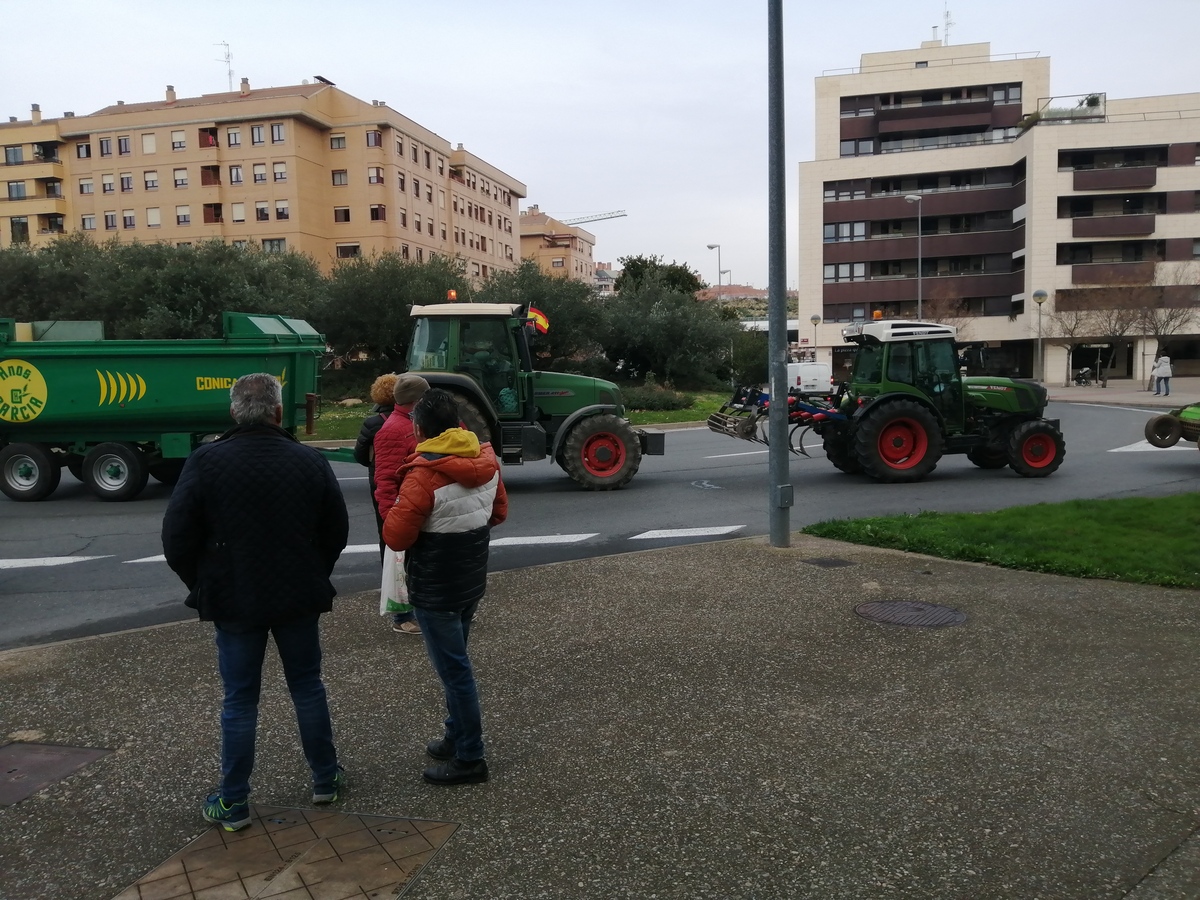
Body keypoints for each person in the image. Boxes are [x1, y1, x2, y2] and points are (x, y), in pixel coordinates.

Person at [162, 373, 349, 832]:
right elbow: (336, 530)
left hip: (234, 596)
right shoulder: (309, 460)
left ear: (233, 412)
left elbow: (176, 537)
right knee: (307, 685)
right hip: (297, 594)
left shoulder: (206, 461)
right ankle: (325, 778)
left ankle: (234, 801)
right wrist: (312, 571)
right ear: (278, 412)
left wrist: (204, 582)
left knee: (240, 698)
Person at [383, 388, 508, 785]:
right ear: (458, 425)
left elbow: (397, 538)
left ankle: (471, 757)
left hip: (436, 588)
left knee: (456, 673)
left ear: (419, 430)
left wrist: (399, 507)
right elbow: (499, 513)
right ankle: (454, 737)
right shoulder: (487, 460)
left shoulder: (422, 475)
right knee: (457, 665)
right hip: (470, 579)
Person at [373, 373, 430, 635]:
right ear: (416, 400)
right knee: (403, 565)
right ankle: (403, 617)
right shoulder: (393, 430)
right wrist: (390, 518)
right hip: (403, 509)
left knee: (419, 565)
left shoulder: (418, 421)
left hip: (420, 505)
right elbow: (385, 479)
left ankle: (424, 611)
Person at [353, 373, 398, 563]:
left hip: (378, 479)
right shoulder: (411, 420)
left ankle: (387, 573)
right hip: (406, 478)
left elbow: (360, 455)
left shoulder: (372, 424)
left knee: (384, 529)